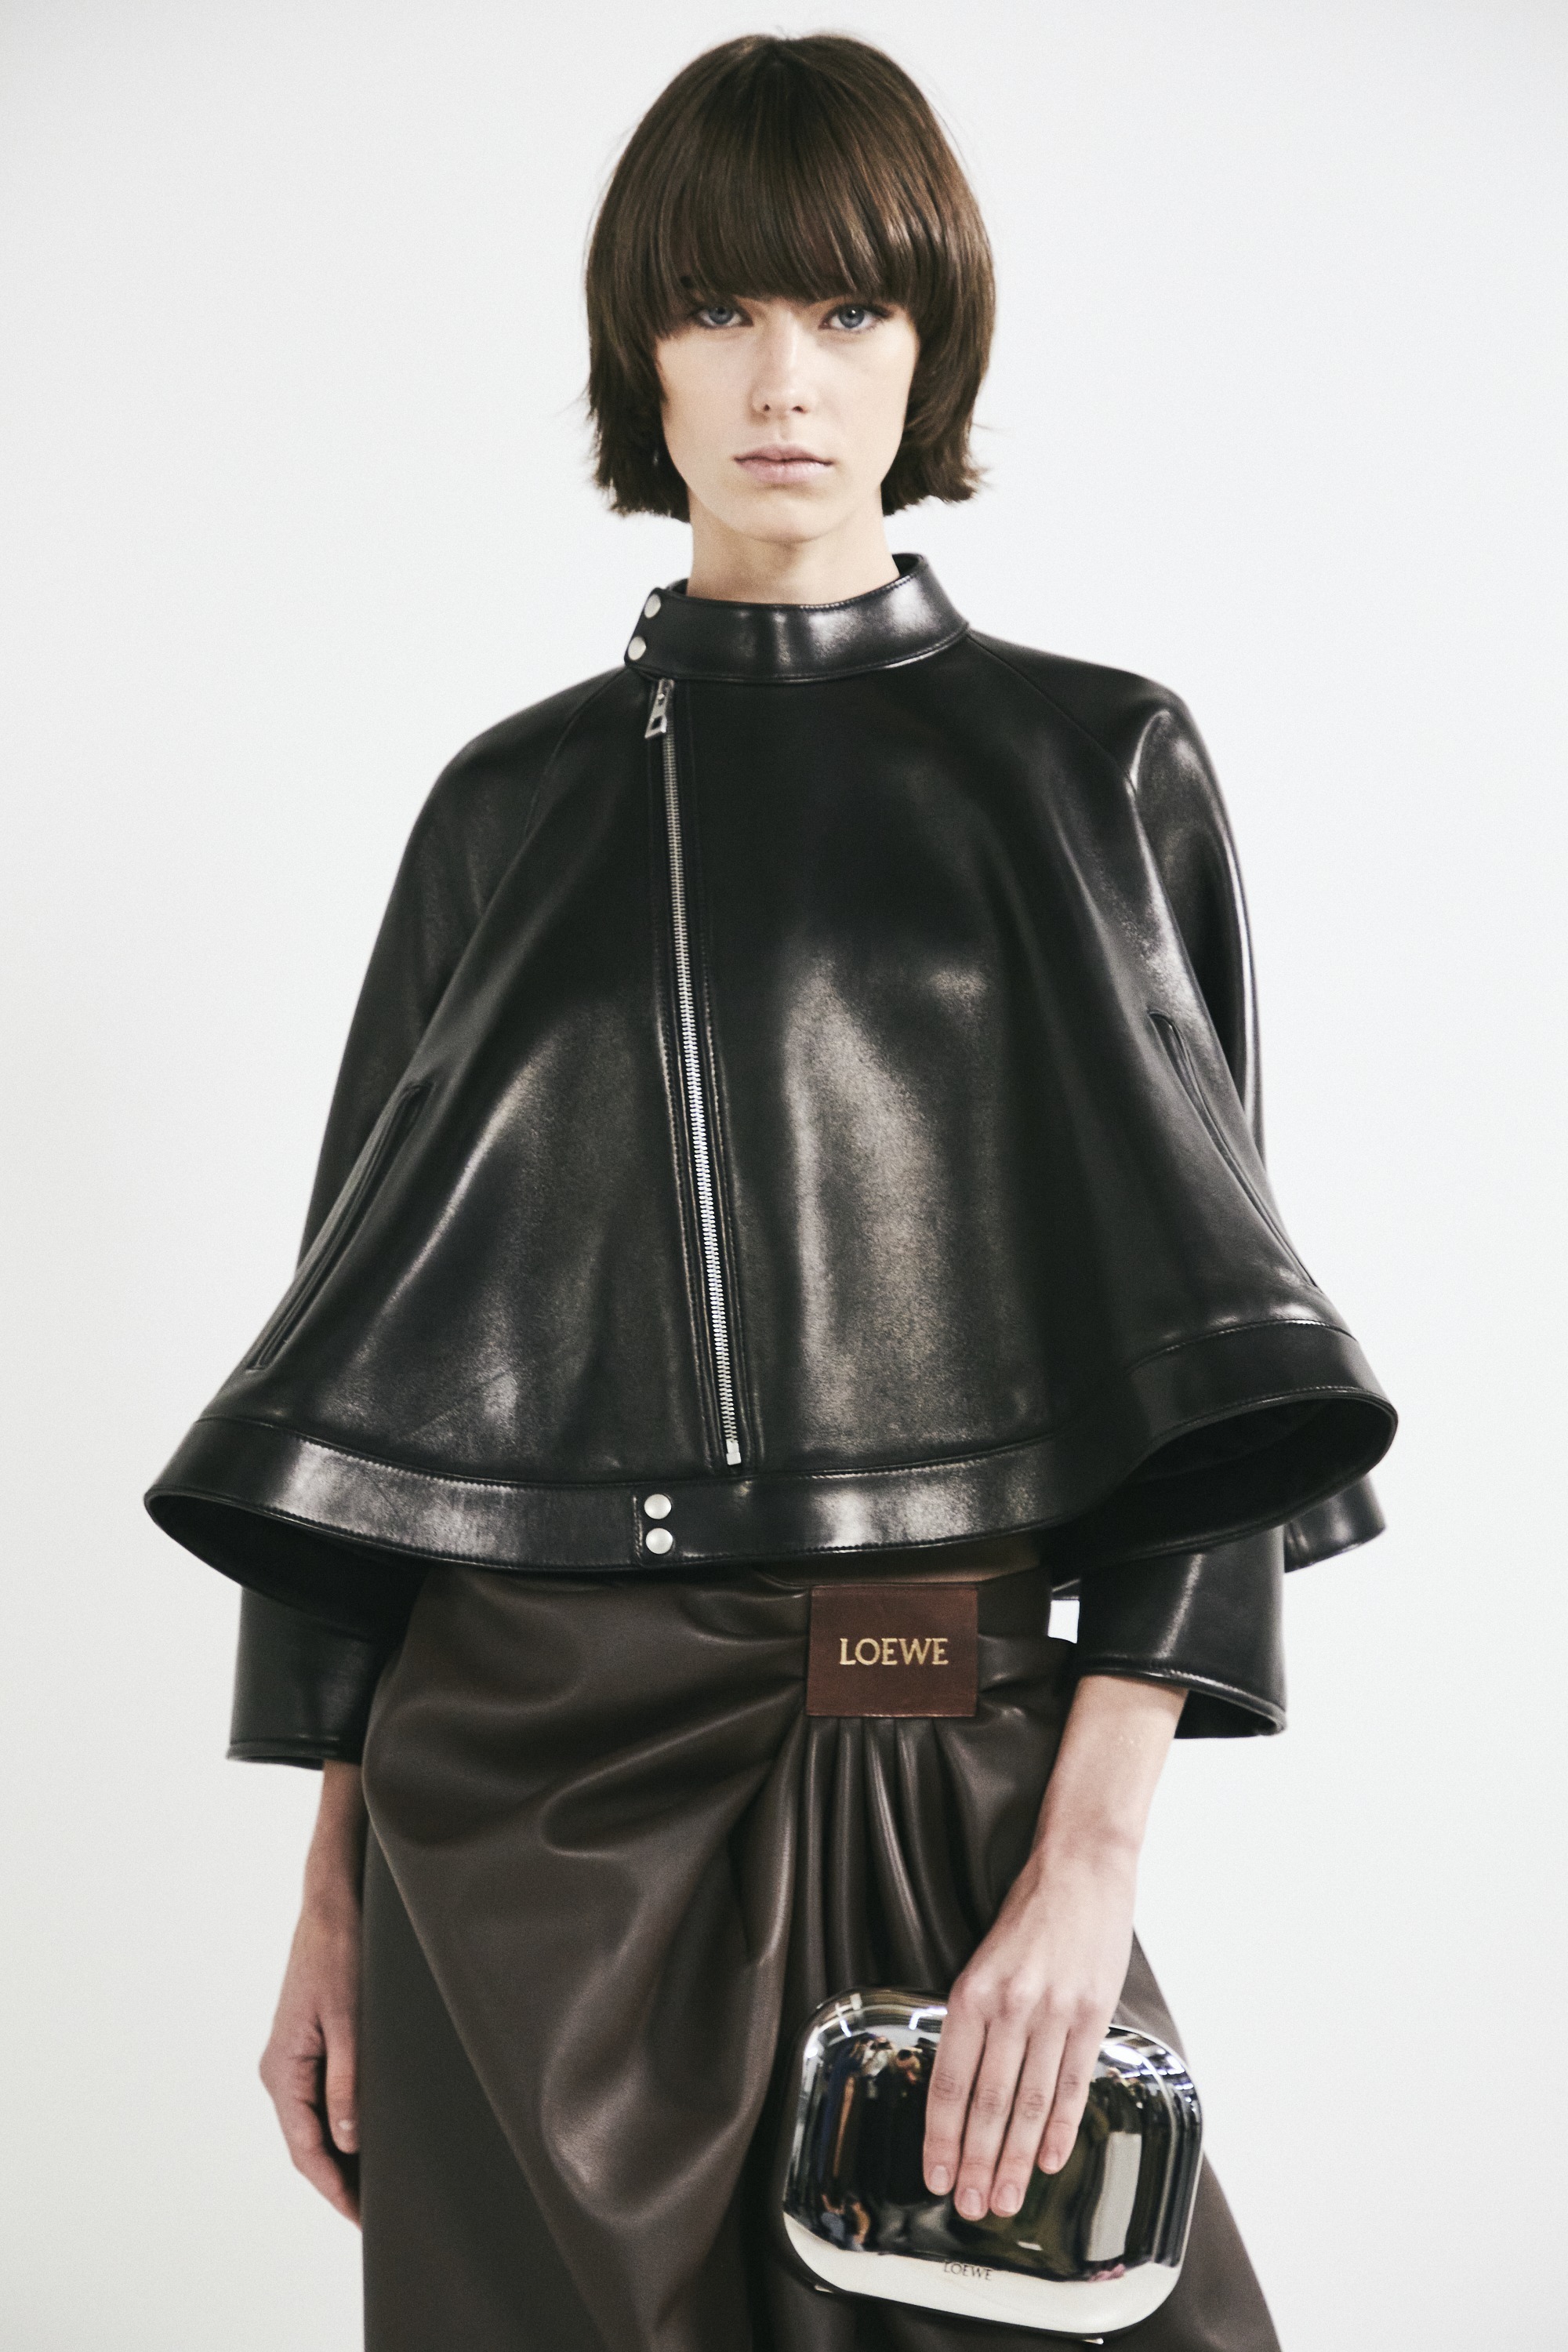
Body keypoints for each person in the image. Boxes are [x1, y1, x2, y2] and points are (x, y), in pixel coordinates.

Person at [146, 34, 1393, 2352]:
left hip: (939, 1759)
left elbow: (1227, 1381)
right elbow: (364, 1383)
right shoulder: (506, 813)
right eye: (717, 310)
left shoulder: (1095, 767)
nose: (783, 381)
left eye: (847, 310)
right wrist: (330, 1890)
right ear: (641, 353)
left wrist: (1092, 1855)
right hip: (513, 1822)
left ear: (933, 347)